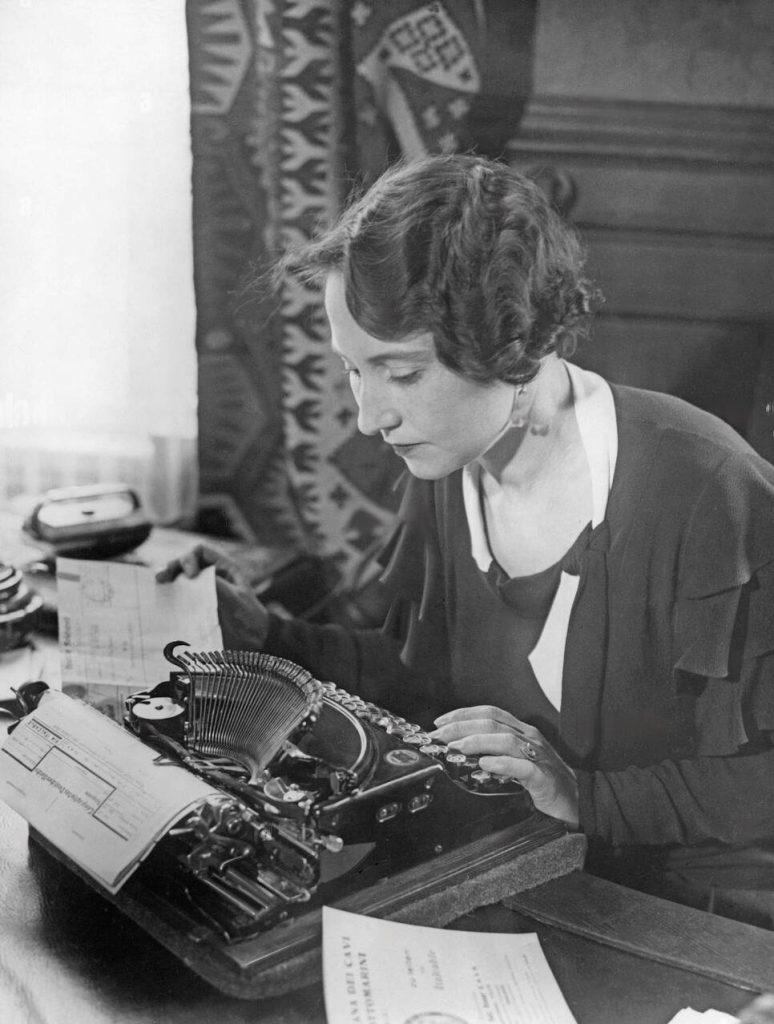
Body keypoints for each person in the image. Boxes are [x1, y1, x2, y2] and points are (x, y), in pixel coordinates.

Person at [157, 154, 774, 926]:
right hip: (536, 873)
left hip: (699, 917)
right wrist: (268, 636)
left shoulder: (709, 487)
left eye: (401, 374)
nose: (368, 417)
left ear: (507, 346)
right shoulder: (448, 462)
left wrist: (585, 795)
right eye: (354, 371)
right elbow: (424, 677)